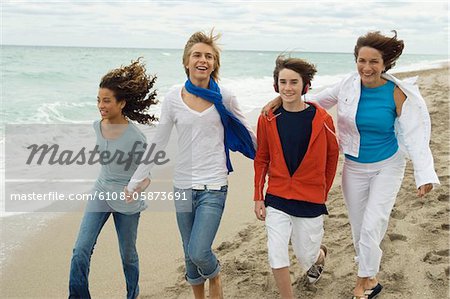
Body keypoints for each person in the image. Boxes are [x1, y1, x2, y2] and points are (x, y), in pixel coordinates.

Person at [264, 31, 440, 299]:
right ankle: (371, 275)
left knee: (372, 224)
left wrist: (423, 173)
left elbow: (415, 134)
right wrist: (281, 98)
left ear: (385, 64)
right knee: (359, 229)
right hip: (354, 167)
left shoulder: (396, 93)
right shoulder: (347, 85)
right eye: (361, 60)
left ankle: (362, 284)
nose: (366, 68)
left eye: (373, 62)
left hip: (387, 165)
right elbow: (312, 102)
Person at [125, 30, 256, 299]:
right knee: (188, 253)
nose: (203, 60)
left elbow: (249, 133)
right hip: (182, 185)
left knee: (199, 251)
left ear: (214, 64)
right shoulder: (174, 97)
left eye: (209, 56)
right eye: (197, 55)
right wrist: (136, 179)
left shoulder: (226, 97)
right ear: (186, 61)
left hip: (214, 185)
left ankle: (215, 276)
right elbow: (159, 140)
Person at [68, 59, 157, 299]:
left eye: (106, 100)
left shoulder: (136, 138)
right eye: (98, 100)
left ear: (121, 103)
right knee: (80, 251)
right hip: (100, 192)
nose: (101, 105)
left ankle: (132, 294)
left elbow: (146, 176)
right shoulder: (97, 126)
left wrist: (135, 190)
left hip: (127, 199)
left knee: (127, 255)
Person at [254, 55, 339, 299]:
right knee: (276, 250)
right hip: (277, 196)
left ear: (305, 86)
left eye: (293, 82)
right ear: (275, 85)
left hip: (310, 198)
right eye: (283, 82)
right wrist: (258, 196)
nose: (287, 88)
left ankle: (319, 256)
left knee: (306, 256)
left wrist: (322, 191)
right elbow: (262, 158)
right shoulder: (268, 118)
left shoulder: (322, 120)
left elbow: (332, 157)